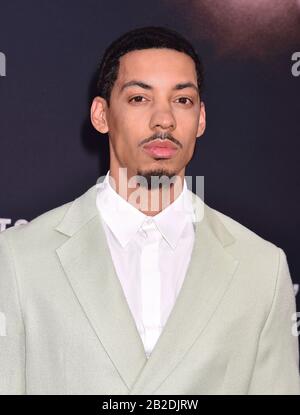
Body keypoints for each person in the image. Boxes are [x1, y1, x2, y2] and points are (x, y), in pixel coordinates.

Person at [0, 26, 299, 395]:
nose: (164, 120)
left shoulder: (262, 268)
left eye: (183, 100)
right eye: (140, 98)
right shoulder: (19, 259)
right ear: (101, 114)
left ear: (201, 118)